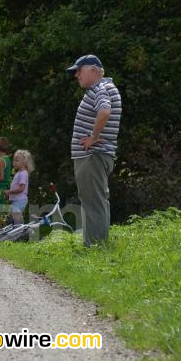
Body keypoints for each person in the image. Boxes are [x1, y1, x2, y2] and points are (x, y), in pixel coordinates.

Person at [67, 54, 122, 246]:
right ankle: (98, 244)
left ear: (94, 70)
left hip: (92, 156)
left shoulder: (101, 88)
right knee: (96, 201)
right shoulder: (104, 88)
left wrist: (94, 137)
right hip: (95, 156)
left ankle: (95, 246)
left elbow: (105, 111)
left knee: (93, 202)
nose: (77, 76)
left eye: (79, 71)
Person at [5, 149, 35, 226]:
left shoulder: (23, 174)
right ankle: (16, 233)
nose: (14, 162)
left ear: (24, 162)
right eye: (14, 160)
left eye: (16, 160)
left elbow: (21, 189)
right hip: (16, 200)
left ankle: (21, 233)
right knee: (11, 219)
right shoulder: (19, 172)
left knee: (14, 219)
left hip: (20, 200)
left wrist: (9, 192)